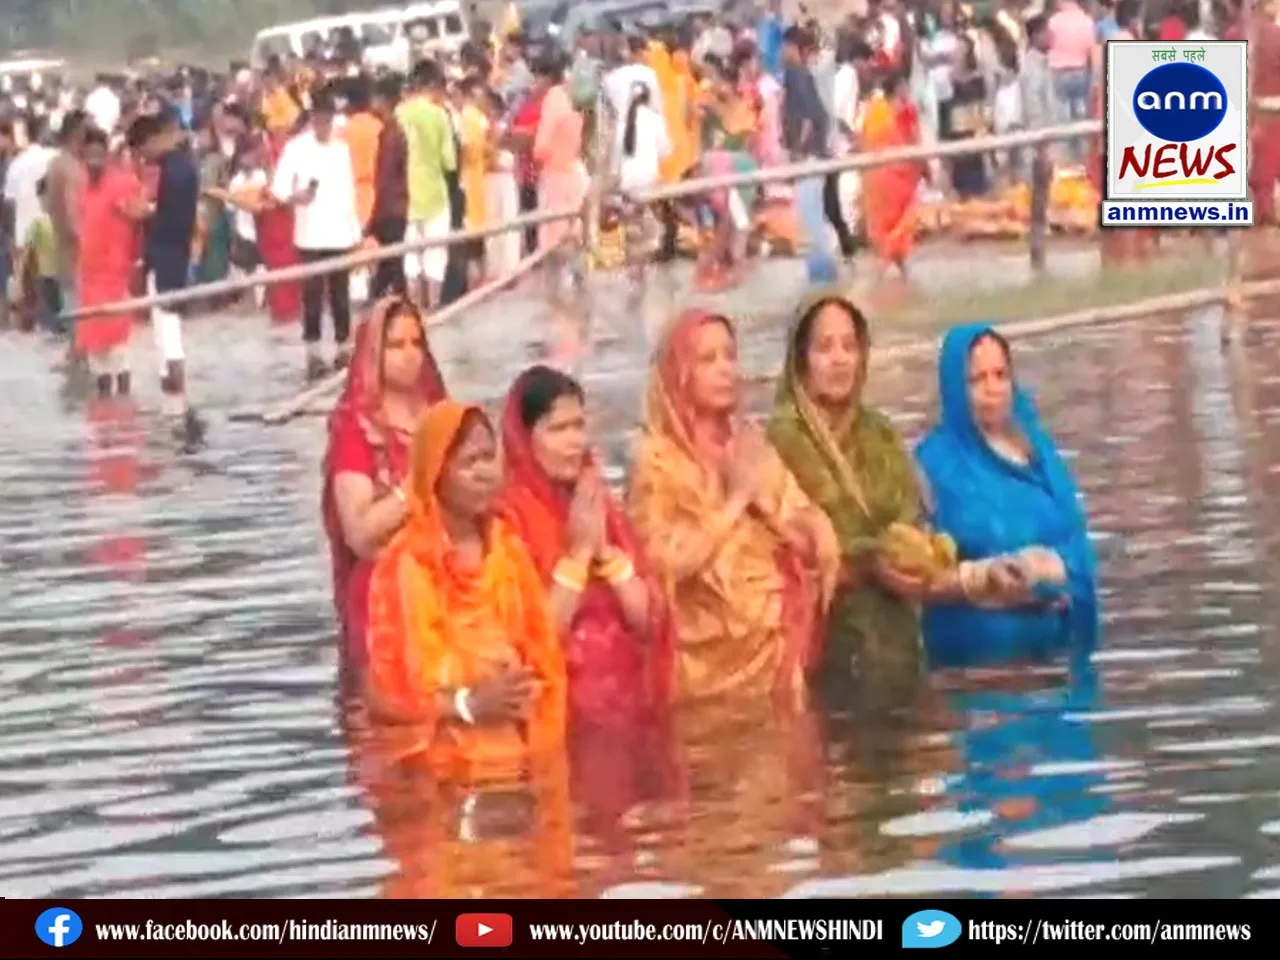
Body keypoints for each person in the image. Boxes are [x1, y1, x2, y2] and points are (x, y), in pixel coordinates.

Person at [626, 309, 840, 705]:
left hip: (776, 651)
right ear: (679, 372)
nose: (726, 369)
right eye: (708, 360)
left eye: (730, 355)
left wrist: (809, 527)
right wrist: (735, 501)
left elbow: (796, 519)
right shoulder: (657, 463)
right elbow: (661, 563)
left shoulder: (750, 442)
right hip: (703, 671)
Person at [364, 401, 567, 782]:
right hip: (440, 773)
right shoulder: (407, 564)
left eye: (489, 457)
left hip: (521, 757)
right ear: (435, 472)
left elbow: (540, 649)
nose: (485, 473)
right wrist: (469, 704)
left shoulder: (508, 549)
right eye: (469, 462)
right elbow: (387, 695)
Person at [768, 293, 942, 699]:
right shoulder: (782, 441)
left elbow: (909, 518)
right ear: (801, 360)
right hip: (823, 650)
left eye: (849, 346)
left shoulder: (880, 433)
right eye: (825, 347)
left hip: (898, 640)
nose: (840, 359)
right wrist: (870, 560)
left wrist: (912, 553)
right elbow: (790, 547)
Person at [915, 324, 1099, 667]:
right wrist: (985, 578)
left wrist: (1045, 570)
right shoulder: (934, 465)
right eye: (977, 379)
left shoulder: (1038, 453)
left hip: (1057, 660)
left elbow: (1077, 542)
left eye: (1000, 375)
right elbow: (921, 574)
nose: (993, 388)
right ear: (955, 387)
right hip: (975, 672)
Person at [498, 365, 672, 725]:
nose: (574, 442)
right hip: (557, 716)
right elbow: (532, 641)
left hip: (629, 706)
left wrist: (605, 554)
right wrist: (578, 557)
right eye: (557, 429)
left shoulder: (597, 502)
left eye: (578, 426)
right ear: (523, 438)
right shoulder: (506, 520)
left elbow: (648, 621)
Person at [323, 297, 447, 675]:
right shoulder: (356, 431)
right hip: (386, 600)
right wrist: (415, 485)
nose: (410, 355)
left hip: (449, 587)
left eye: (416, 343)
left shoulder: (441, 416)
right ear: (374, 352)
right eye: (396, 345)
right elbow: (359, 534)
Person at [271, 88, 362, 380]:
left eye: (328, 121)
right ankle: (313, 353)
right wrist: (294, 196)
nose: (324, 127)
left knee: (340, 293)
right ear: (312, 119)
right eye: (319, 120)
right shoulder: (296, 148)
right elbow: (278, 187)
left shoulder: (341, 149)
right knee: (311, 294)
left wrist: (355, 232)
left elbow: (349, 191)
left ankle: (343, 348)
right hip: (310, 233)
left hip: (339, 233)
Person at [130, 111, 205, 446]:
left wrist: (146, 214)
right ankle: (175, 396)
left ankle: (176, 394)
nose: (143, 157)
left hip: (167, 254)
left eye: (142, 149)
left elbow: (170, 219)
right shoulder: (183, 165)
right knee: (166, 326)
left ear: (152, 140)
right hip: (175, 252)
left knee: (167, 327)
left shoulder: (173, 170)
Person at [75, 127, 151, 399]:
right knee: (98, 357)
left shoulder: (122, 183)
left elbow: (143, 213)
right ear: (83, 157)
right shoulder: (83, 187)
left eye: (99, 155)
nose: (94, 162)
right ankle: (105, 411)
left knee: (119, 352)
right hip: (89, 278)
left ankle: (124, 409)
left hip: (116, 276)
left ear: (107, 155)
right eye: (89, 156)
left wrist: (130, 209)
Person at [859, 74, 922, 275]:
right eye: (904, 86)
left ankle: (897, 269)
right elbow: (868, 140)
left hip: (901, 177)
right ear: (897, 88)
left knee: (902, 223)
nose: (907, 90)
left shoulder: (905, 111)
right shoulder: (880, 112)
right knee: (888, 227)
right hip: (883, 178)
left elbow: (914, 140)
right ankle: (885, 270)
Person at [368, 74, 409, 300]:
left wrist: (374, 212)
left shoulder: (391, 134)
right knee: (391, 263)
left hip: (390, 208)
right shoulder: (394, 130)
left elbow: (384, 176)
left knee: (392, 263)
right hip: (396, 205)